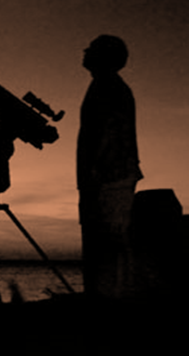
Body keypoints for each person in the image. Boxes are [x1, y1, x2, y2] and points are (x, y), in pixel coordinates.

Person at [77, 35, 143, 299]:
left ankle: (109, 298)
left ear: (103, 57)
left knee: (107, 242)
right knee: (106, 242)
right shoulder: (106, 85)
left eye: (91, 49)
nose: (85, 51)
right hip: (108, 175)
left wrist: (94, 172)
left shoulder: (107, 86)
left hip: (109, 177)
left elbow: (106, 131)